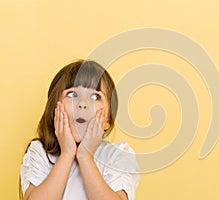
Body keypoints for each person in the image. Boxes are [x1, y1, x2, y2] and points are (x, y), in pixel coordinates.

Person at [20, 60, 139, 200]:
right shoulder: (40, 152)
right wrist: (67, 153)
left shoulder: (118, 155)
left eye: (95, 97)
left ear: (108, 120)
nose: (83, 104)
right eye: (72, 95)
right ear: (54, 109)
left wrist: (85, 156)